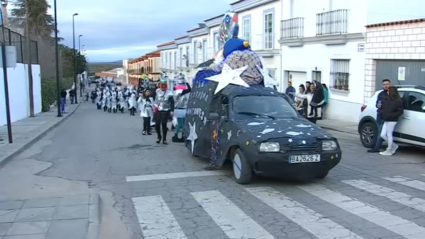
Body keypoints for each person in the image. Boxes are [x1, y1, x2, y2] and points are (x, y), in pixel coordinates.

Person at [368, 79, 391, 153]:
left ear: (390, 84)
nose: (385, 86)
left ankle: (379, 147)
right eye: (384, 84)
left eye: (387, 84)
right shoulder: (381, 94)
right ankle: (377, 146)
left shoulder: (393, 94)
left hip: (388, 116)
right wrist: (378, 105)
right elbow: (376, 104)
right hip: (380, 115)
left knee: (384, 132)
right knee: (379, 131)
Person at [379, 86, 404, 156]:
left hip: (392, 120)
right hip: (386, 119)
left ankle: (389, 150)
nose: (387, 92)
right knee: (382, 135)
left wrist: (392, 115)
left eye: (388, 91)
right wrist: (381, 112)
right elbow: (382, 108)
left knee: (389, 134)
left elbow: (400, 112)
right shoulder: (387, 100)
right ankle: (393, 145)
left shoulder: (398, 101)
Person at [154, 78, 174, 144]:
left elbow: (172, 102)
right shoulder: (157, 91)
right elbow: (155, 98)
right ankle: (159, 136)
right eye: (162, 85)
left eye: (164, 86)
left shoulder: (169, 93)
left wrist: (172, 110)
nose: (163, 87)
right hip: (158, 109)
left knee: (164, 125)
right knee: (157, 124)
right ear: (160, 85)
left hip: (166, 110)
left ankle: (164, 139)